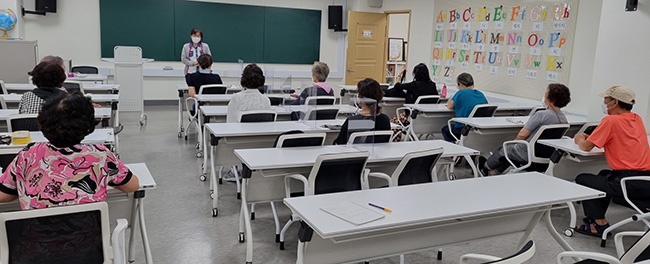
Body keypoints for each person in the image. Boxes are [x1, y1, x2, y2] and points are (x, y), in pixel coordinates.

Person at [573, 85, 650, 237]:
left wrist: (579, 139)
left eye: (605, 99)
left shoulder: (610, 120)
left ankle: (598, 224)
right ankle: (596, 219)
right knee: (603, 174)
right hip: (645, 180)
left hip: (627, 182)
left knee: (583, 179)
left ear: (614, 102)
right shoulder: (637, 118)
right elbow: (621, 139)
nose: (603, 102)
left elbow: (587, 147)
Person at [480, 83, 571, 175]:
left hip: (526, 153)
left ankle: (485, 167)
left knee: (505, 149)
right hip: (547, 156)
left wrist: (514, 141)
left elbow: (523, 134)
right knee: (510, 151)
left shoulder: (541, 115)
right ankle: (494, 172)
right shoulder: (563, 119)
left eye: (546, 93)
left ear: (551, 98)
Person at [333, 78, 392, 145]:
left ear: (361, 99)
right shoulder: (385, 119)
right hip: (378, 154)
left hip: (356, 154)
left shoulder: (353, 121)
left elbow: (340, 143)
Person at [441, 73, 488, 142]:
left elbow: (450, 106)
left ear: (460, 84)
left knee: (445, 129)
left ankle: (456, 147)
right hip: (479, 128)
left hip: (464, 128)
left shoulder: (461, 93)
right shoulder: (480, 94)